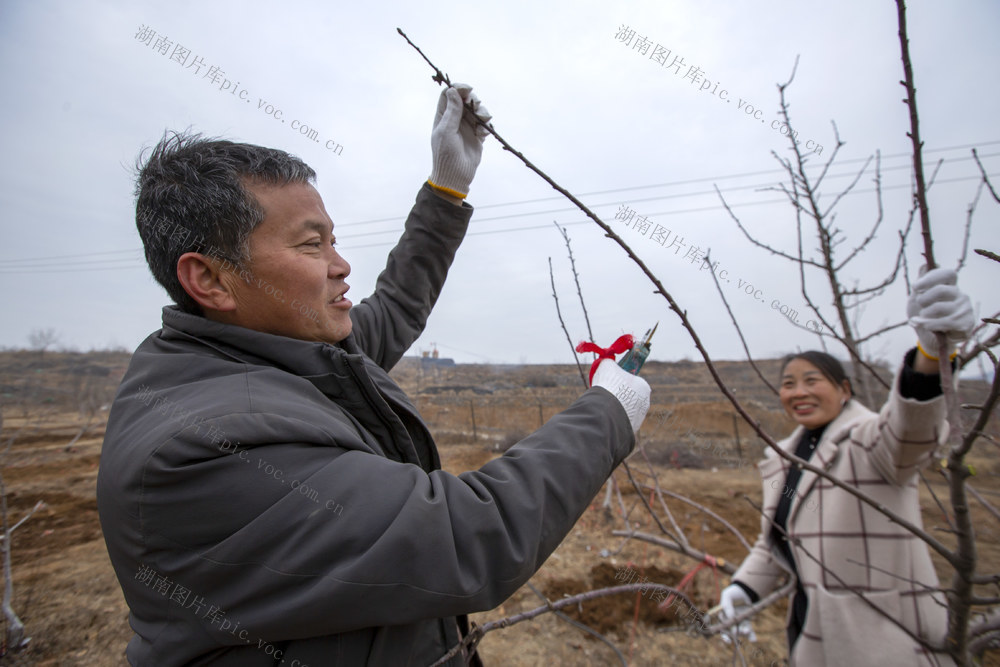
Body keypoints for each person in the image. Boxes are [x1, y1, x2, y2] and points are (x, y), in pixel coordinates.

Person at [96, 85, 651, 666]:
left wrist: (445, 192)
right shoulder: (208, 448)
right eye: (311, 245)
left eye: (333, 240)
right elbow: (465, 538)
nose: (341, 265)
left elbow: (393, 308)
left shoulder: (272, 352)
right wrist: (607, 413)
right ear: (211, 280)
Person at [718, 268, 975, 667]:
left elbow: (910, 431)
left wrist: (930, 357)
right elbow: (778, 541)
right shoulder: (783, 458)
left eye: (812, 380)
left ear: (844, 390)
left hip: (889, 642)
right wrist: (744, 589)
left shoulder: (869, 442)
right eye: (788, 383)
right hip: (811, 634)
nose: (799, 392)